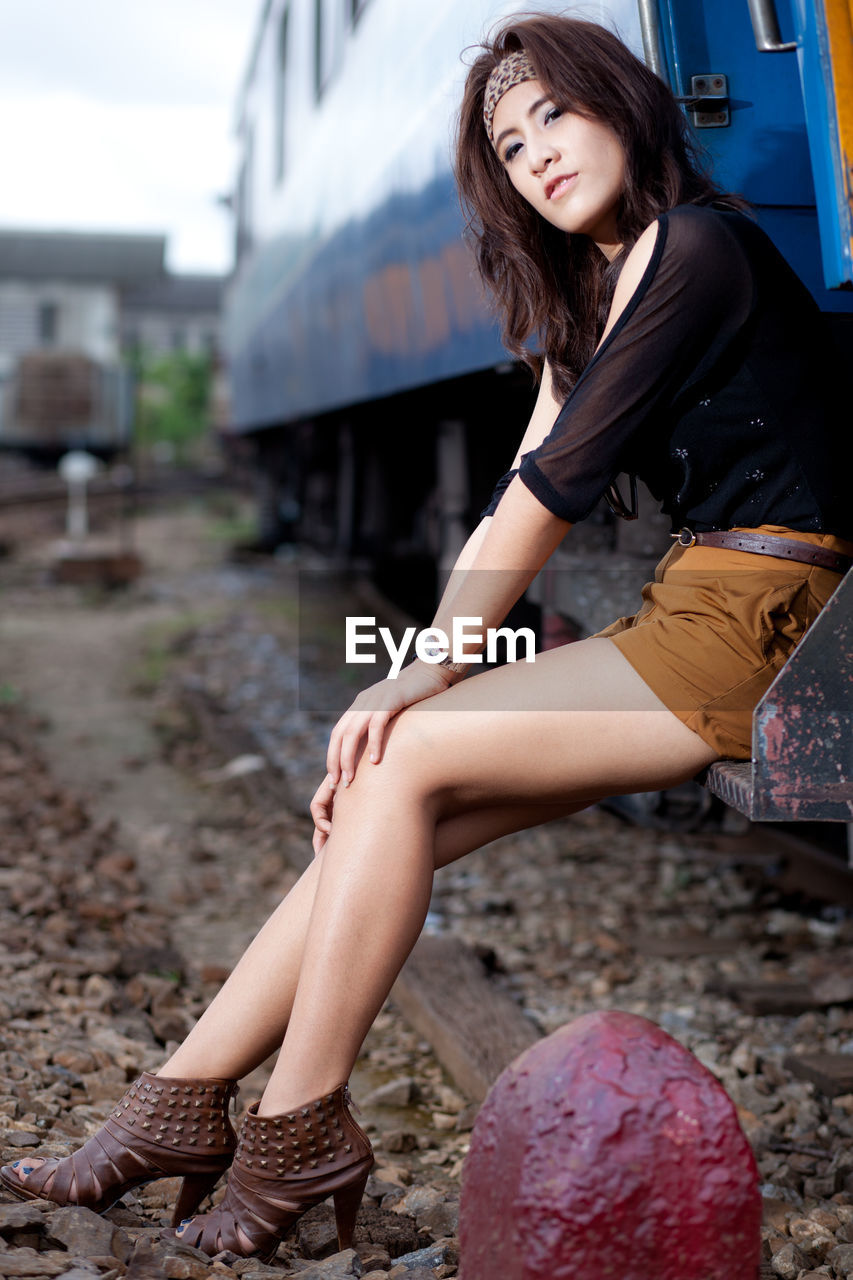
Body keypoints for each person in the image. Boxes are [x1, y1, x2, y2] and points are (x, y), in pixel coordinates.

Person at [2, 11, 851, 1263]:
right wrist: (420, 674)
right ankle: (179, 1103)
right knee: (379, 796)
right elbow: (519, 484)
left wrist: (419, 668)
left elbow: (552, 495)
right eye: (511, 147)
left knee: (390, 758)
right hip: (694, 608)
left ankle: (292, 1125)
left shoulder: (694, 244)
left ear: (624, 101)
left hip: (756, 619)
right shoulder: (606, 282)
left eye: (556, 115)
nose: (539, 155)